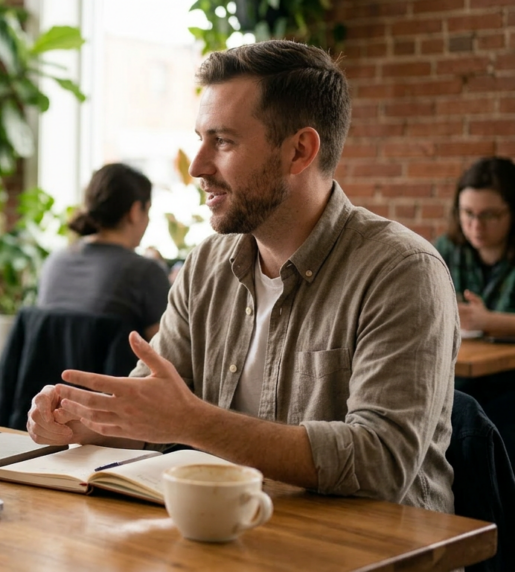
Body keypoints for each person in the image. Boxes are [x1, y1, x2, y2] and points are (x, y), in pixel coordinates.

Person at [27, 40, 458, 514]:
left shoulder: (402, 272)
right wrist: (81, 421)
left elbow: (380, 464)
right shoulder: (207, 264)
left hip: (378, 553)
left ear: (299, 151)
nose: (197, 167)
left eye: (224, 141)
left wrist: (194, 424)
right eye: (200, 139)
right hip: (233, 535)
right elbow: (154, 409)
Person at [37, 163, 170, 340]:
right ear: (136, 211)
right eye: (148, 210)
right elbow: (167, 351)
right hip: (116, 369)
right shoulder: (146, 273)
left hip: (54, 369)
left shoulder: (56, 260)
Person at [435, 157, 515, 335]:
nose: (477, 225)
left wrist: (488, 321)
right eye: (468, 213)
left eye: (489, 215)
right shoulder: (447, 248)